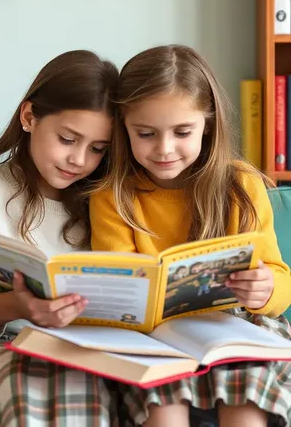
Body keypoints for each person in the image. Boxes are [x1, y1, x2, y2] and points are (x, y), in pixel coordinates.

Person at [0, 49, 123, 426]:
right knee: (38, 383)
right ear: (29, 117)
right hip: (3, 353)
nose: (79, 159)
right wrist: (15, 305)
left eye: (97, 149)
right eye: (67, 139)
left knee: (99, 385)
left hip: (91, 352)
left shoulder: (109, 202)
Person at [90, 44, 291, 427]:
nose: (164, 149)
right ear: (123, 128)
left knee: (246, 406)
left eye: (182, 132)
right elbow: (119, 289)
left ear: (208, 124)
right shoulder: (113, 194)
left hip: (239, 325)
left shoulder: (240, 185)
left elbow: (279, 279)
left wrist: (265, 288)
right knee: (163, 409)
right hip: (152, 333)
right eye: (145, 133)